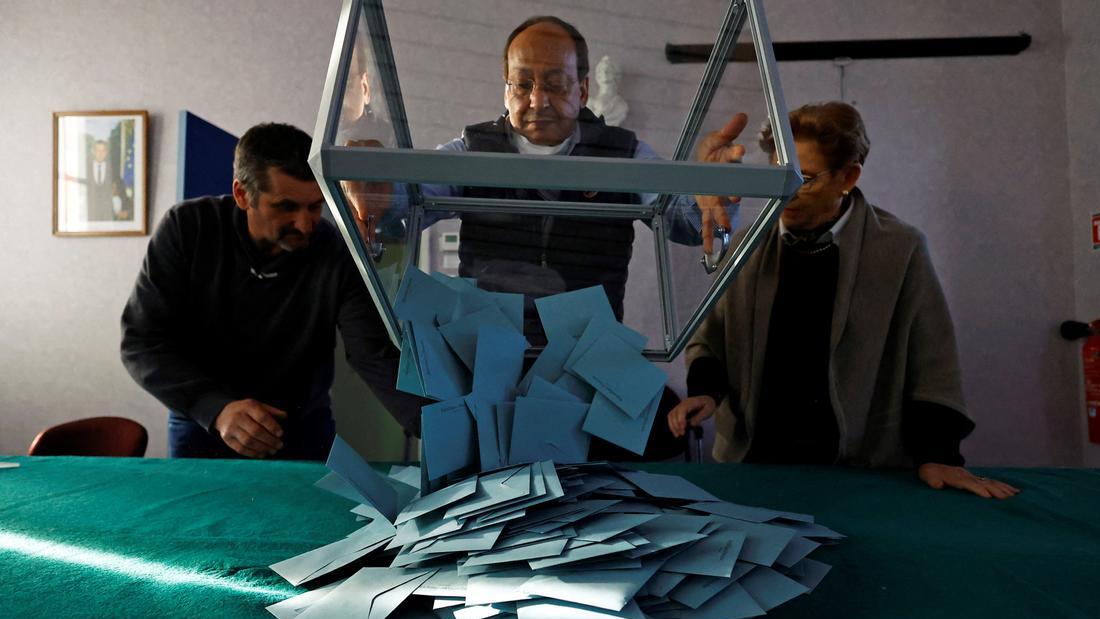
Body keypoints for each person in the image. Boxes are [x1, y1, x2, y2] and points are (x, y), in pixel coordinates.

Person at [667, 102, 1019, 499]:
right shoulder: (747, 246)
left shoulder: (899, 250)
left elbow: (932, 362)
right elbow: (710, 337)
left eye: (805, 179)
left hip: (863, 472)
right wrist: (704, 392)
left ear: (848, 176)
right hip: (757, 465)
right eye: (778, 176)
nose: (786, 194)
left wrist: (938, 454)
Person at [344, 15, 745, 342]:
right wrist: (374, 187)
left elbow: (685, 218)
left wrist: (712, 190)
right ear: (506, 91)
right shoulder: (473, 150)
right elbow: (406, 203)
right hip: (486, 359)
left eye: (555, 83)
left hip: (587, 361)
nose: (537, 99)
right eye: (523, 84)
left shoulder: (622, 152)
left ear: (583, 90)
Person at [121, 123, 423, 460]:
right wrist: (215, 408)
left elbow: (374, 354)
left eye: (314, 206)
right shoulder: (187, 230)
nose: (306, 224)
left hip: (303, 430)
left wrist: (438, 426)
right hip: (205, 424)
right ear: (242, 195)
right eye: (286, 207)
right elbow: (142, 341)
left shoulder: (334, 251)